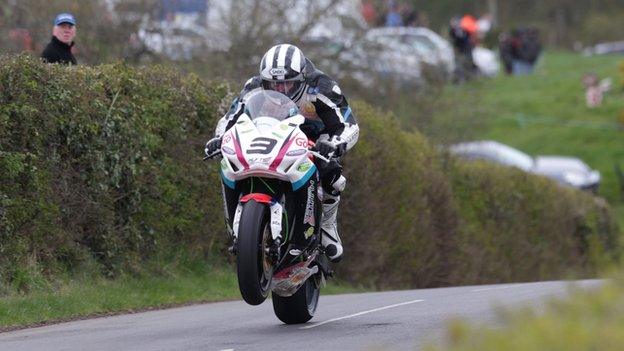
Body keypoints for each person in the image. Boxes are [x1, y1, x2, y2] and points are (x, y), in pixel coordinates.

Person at [205, 44, 359, 262]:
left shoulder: (323, 88)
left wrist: (336, 144)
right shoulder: (253, 86)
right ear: (264, 80)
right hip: (271, 134)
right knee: (230, 161)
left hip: (316, 138)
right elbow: (231, 117)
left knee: (331, 174)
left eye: (288, 84)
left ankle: (327, 227)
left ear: (301, 79)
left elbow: (348, 124)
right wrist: (219, 138)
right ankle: (240, 226)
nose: (281, 90)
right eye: (274, 84)